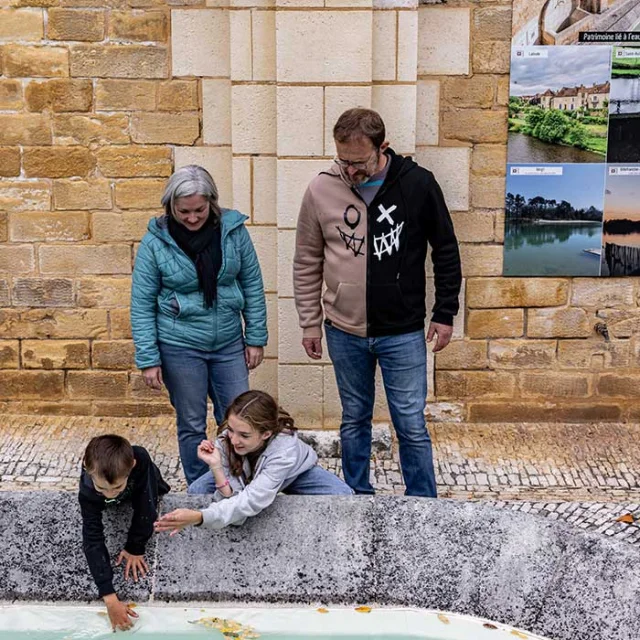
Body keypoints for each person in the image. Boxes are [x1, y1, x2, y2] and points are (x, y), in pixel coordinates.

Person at [293, 108, 462, 498]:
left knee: (410, 423)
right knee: (354, 419)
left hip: (402, 332)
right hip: (344, 330)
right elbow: (306, 260)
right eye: (343, 161)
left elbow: (446, 250)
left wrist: (444, 312)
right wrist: (309, 322)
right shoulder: (321, 189)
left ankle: (423, 503)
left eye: (359, 162)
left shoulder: (418, 185)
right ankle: (355, 496)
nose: (350, 171)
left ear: (382, 147)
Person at [131, 164, 268, 485]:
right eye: (183, 212)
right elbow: (141, 303)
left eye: (199, 210)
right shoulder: (155, 243)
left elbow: (252, 285)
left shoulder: (233, 233)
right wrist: (149, 358)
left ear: (212, 203)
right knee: (192, 423)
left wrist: (256, 337)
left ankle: (241, 483)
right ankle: (199, 487)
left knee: (238, 419)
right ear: (170, 207)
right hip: (180, 346)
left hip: (229, 344)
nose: (192, 218)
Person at [153, 390, 353, 534]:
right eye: (231, 429)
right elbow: (235, 507)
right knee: (197, 491)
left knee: (344, 497)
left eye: (244, 435)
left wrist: (200, 517)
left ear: (266, 433)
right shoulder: (226, 441)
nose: (234, 440)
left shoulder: (284, 451)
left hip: (294, 474)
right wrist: (216, 466)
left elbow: (249, 502)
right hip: (244, 473)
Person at [79, 434, 170, 632]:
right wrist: (109, 597)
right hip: (109, 490)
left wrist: (135, 548)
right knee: (102, 499)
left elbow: (147, 507)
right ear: (87, 469)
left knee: (156, 492)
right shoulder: (88, 490)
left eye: (117, 487)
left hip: (143, 482)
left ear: (132, 465)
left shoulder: (140, 459)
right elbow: (92, 538)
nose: (110, 493)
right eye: (102, 487)